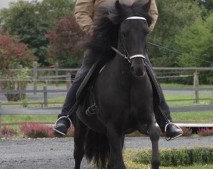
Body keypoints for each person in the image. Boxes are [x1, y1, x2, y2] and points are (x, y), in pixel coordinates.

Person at [53, 0, 183, 140]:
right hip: (102, 39)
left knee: (151, 75)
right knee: (84, 74)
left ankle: (166, 122)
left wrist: (138, 30)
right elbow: (81, 12)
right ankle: (65, 117)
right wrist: (96, 31)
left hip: (131, 42)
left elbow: (152, 11)